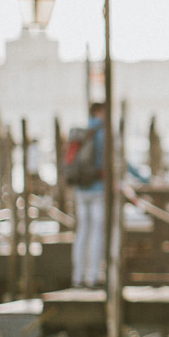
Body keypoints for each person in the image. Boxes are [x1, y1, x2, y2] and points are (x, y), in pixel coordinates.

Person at [71, 102, 106, 289]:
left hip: (80, 190)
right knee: (97, 233)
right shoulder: (103, 134)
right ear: (101, 112)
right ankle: (93, 276)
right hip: (98, 190)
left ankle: (77, 276)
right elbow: (117, 162)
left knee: (82, 232)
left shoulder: (82, 133)